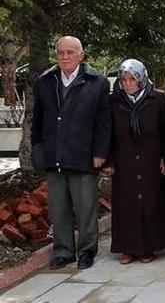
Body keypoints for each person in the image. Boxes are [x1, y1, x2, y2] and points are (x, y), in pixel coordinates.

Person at [31, 36, 111, 270]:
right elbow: (37, 121)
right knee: (58, 208)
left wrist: (100, 153)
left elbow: (103, 123)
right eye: (60, 52)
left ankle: (87, 251)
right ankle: (64, 251)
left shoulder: (97, 83)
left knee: (86, 208)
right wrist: (38, 149)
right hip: (54, 156)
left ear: (81, 55)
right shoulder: (45, 82)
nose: (64, 57)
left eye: (70, 52)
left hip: (83, 156)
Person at [104, 59, 165, 264]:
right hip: (124, 159)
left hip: (151, 158)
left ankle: (148, 247)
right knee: (126, 203)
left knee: (150, 202)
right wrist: (108, 160)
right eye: (124, 79)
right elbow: (106, 132)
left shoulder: (158, 98)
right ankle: (127, 247)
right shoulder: (114, 101)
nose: (128, 84)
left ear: (141, 78)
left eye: (132, 79)